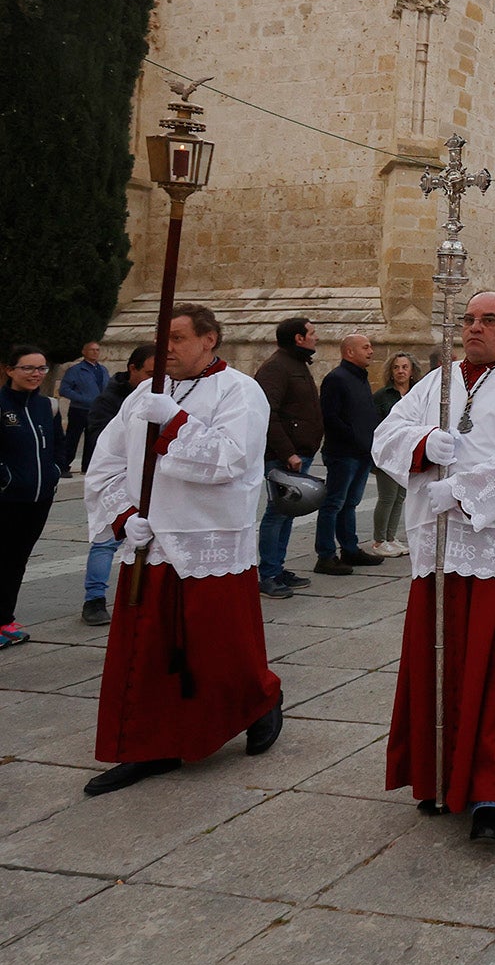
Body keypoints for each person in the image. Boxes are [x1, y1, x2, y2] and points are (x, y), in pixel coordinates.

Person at [371, 290, 495, 842]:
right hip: (439, 549)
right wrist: (426, 442)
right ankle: (436, 777)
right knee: (440, 663)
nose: (475, 329)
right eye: (468, 320)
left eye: (488, 321)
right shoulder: (438, 382)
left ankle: (490, 795)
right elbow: (387, 435)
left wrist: (464, 491)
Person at [82, 304, 283, 795]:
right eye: (161, 338)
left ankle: (259, 699)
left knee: (219, 648)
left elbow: (229, 461)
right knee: (145, 654)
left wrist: (173, 421)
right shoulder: (142, 397)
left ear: (209, 338)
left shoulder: (241, 391)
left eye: (177, 338)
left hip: (208, 545)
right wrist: (126, 518)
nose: (165, 348)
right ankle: (151, 745)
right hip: (148, 546)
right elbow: (105, 463)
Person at [80, 344, 157, 625]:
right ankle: (94, 599)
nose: (155, 380)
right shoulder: (109, 400)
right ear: (132, 369)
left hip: (151, 481)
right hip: (117, 476)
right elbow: (104, 439)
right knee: (105, 540)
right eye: (149, 373)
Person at [255, 317, 324, 599]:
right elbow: (267, 413)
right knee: (276, 515)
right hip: (284, 457)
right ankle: (268, 574)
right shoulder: (276, 368)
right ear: (298, 338)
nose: (316, 337)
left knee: (288, 514)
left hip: (299, 453)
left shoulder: (296, 364)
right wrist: (288, 453)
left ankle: (278, 567)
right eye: (312, 333)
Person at [1, 345, 63, 647]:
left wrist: (53, 472)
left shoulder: (47, 406)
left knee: (17, 560)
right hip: (6, 498)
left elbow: (58, 445)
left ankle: (5, 619)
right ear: (10, 370)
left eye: (41, 368)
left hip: (38, 500)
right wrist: (5, 478)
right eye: (27, 368)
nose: (35, 374)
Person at [315, 333, 384, 575]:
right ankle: (325, 555)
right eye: (365, 347)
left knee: (350, 504)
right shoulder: (336, 379)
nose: (371, 351)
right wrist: (355, 438)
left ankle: (350, 549)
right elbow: (330, 418)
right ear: (349, 352)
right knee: (334, 503)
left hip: (361, 453)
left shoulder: (360, 378)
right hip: (343, 454)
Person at [371, 351, 417, 558]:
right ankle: (379, 540)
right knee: (387, 497)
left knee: (400, 497)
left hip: (408, 451)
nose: (400, 371)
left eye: (404, 367)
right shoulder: (382, 396)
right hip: (388, 452)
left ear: (412, 371)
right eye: (396, 367)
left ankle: (391, 537)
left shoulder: (417, 394)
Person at [58, 340, 111, 475]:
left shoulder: (103, 370)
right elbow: (64, 389)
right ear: (84, 352)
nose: (95, 352)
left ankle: (87, 466)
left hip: (97, 411)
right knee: (72, 438)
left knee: (92, 439)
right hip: (79, 409)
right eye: (92, 349)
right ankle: (63, 466)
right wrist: (82, 399)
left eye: (97, 350)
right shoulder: (75, 370)